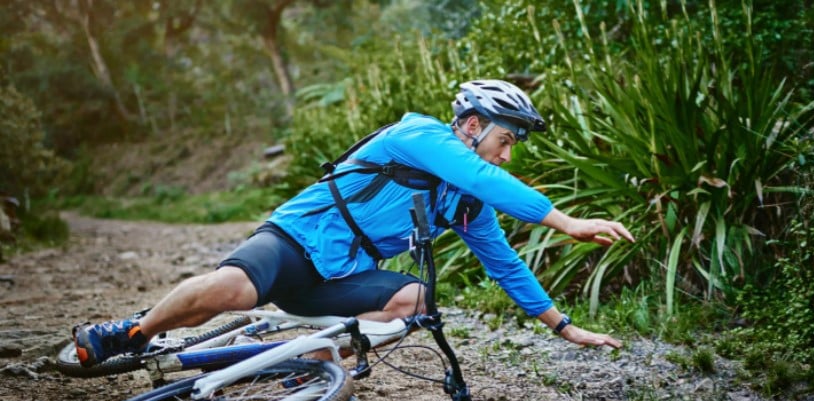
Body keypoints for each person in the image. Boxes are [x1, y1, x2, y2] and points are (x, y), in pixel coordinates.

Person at [73, 79, 635, 367]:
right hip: (297, 241)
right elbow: (486, 178)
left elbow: (505, 266)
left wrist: (565, 327)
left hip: (336, 280)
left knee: (416, 299)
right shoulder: (420, 135)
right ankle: (131, 333)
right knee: (234, 288)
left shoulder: (464, 203)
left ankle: (310, 364)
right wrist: (565, 220)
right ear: (469, 124)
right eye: (504, 140)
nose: (506, 155)